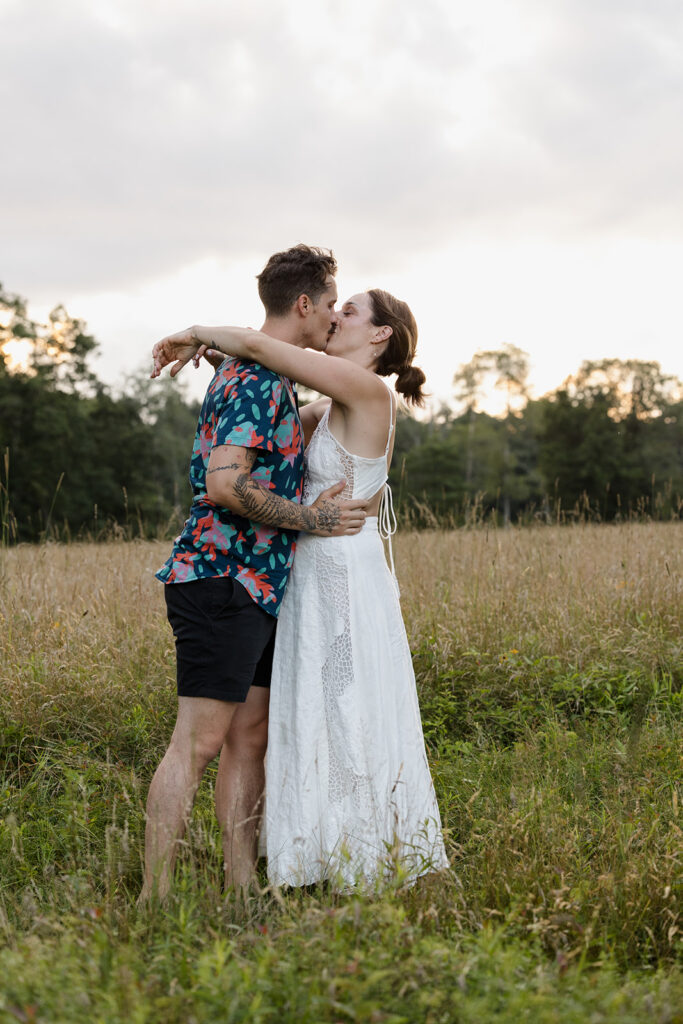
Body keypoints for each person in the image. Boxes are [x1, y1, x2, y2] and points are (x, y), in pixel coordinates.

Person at [152, 287, 449, 889]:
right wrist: (227, 366)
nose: (337, 317)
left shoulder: (368, 392)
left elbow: (264, 344)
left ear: (379, 335)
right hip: (303, 573)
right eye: (336, 307)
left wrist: (199, 330)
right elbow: (274, 400)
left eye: (352, 312)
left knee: (345, 706)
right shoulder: (326, 402)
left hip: (339, 573)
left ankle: (361, 851)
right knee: (309, 711)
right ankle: (315, 846)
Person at [139, 244, 370, 903]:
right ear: (303, 304)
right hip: (219, 579)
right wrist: (313, 519)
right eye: (328, 305)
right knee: (199, 741)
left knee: (250, 737)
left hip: (261, 586)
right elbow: (224, 485)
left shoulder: (268, 380)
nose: (331, 318)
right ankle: (153, 900)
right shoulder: (251, 380)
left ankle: (240, 890)